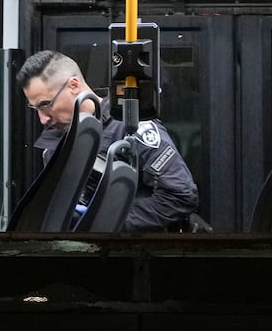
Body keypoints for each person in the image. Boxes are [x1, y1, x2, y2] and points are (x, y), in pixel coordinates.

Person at [16, 50, 199, 232]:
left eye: (46, 104)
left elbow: (180, 195)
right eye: (35, 108)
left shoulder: (132, 127)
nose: (43, 119)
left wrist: (105, 223)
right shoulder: (54, 147)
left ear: (73, 85)